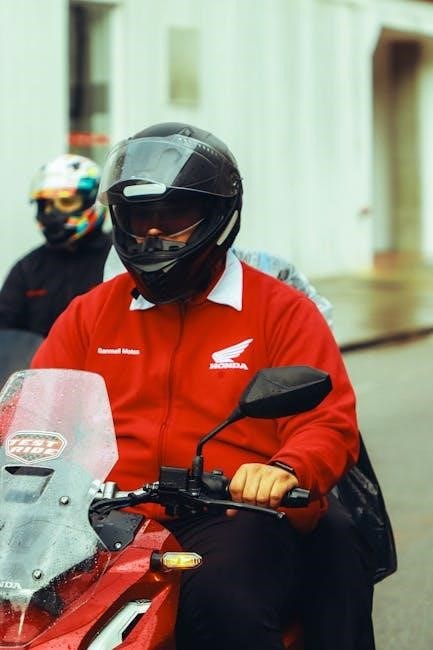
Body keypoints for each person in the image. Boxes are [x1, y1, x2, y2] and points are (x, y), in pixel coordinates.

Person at [31, 123, 373, 649]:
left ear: (217, 216)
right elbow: (39, 414)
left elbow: (326, 421)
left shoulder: (281, 310)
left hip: (230, 514)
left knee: (223, 603)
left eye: (173, 217)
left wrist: (284, 469)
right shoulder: (89, 313)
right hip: (102, 519)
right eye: (140, 218)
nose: (153, 233)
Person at [0, 154, 112, 337]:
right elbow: (5, 329)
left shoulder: (119, 257)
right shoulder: (27, 268)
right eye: (47, 204)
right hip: (42, 355)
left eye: (66, 202)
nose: (52, 213)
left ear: (92, 200)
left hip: (102, 354)